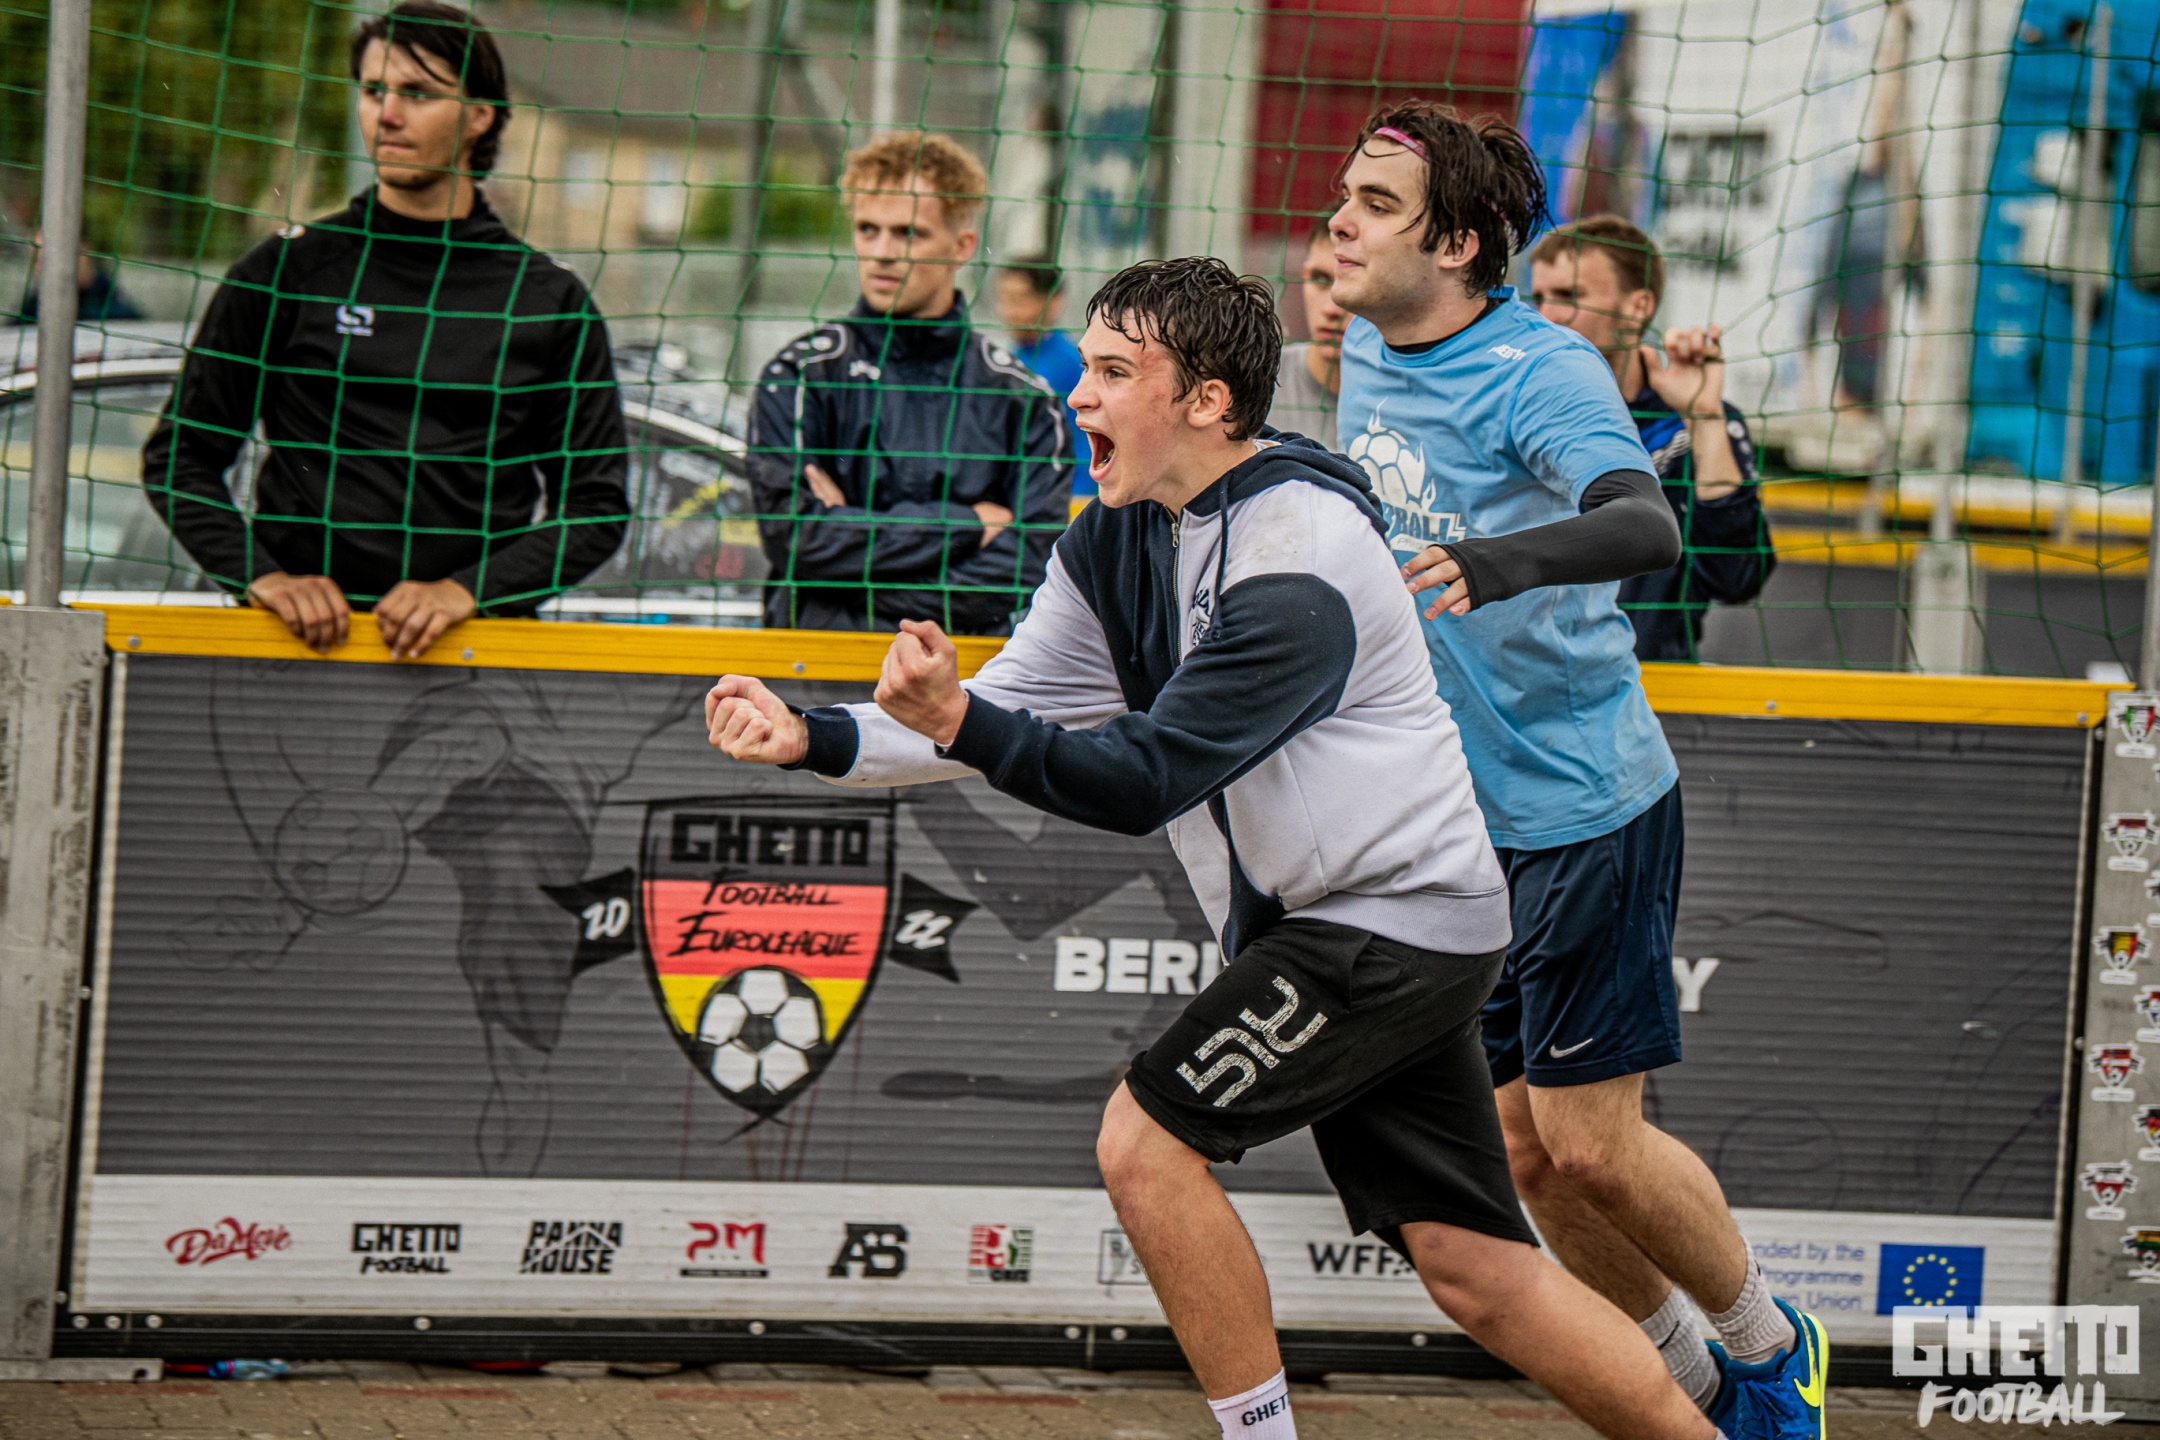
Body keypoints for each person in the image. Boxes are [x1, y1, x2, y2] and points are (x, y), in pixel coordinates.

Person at [707, 256, 1724, 1440]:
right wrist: (813, 736)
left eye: (1112, 371)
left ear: (1208, 400)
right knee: (1477, 1269)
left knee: (1144, 1147)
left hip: (1385, 927)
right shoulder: (1117, 535)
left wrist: (960, 722)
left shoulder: (1300, 555)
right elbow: (1006, 703)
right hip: (1391, 924)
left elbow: (1142, 778)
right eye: (1086, 366)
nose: (1077, 395)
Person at [1326, 101, 1825, 1440]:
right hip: (1456, 818)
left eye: (1376, 205)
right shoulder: (1367, 344)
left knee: (1592, 1144)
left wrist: (1489, 566)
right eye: (1348, 196)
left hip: (1583, 805)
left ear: (1459, 243)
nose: (1341, 223)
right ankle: (1697, 1385)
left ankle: (1774, 1350)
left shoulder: (1543, 371)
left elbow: (1647, 524)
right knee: (1524, 1152)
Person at [141, 1, 628, 660]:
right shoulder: (286, 271)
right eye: (374, 91)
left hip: (475, 666)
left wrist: (467, 593)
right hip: (292, 656)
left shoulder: (548, 301)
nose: (387, 114)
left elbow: (596, 506)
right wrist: (261, 577)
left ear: (480, 116)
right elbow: (179, 458)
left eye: (418, 93)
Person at [749, 132, 1069, 634]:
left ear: (962, 246)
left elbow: (1028, 567)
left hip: (962, 672)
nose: (882, 252)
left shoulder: (1023, 398)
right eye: (867, 229)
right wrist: (966, 525)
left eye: (908, 233)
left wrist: (841, 567)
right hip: (815, 666)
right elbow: (794, 540)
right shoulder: (799, 376)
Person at [1526, 216, 1773, 661]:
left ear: (1638, 307)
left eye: (1569, 296)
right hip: (1524, 678)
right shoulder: (1514, 411)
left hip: (1651, 681)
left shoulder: (1685, 423)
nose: (1547, 315)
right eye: (1539, 297)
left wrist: (1703, 417)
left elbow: (1738, 578)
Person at [995, 256, 1093, 495]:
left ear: (1053, 301)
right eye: (1004, 298)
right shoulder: (1006, 359)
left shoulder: (1074, 364)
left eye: (1020, 299)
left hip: (1068, 496)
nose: (1009, 311)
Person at [1265, 217, 1346, 449]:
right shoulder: (1252, 381)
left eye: (1352, 283)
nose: (1331, 309)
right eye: (1320, 279)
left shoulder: (1424, 400)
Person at [13, 232, 144, 323]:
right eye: (36, 261)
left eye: (51, 259)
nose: (41, 268)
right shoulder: (30, 310)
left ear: (83, 251)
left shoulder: (116, 309)